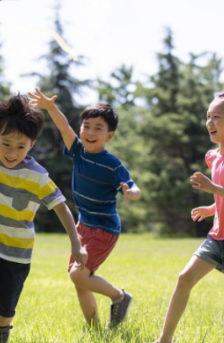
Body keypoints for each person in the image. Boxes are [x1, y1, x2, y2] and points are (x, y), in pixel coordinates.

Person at [0, 63, 87, 343]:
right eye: (6, 144)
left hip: (16, 258)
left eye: (20, 146)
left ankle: (2, 329)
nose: (11, 152)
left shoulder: (37, 176)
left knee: (2, 315)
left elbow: (61, 207)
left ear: (31, 145)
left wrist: (76, 243)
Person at [153, 90, 224, 343]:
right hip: (219, 234)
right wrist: (212, 207)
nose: (209, 122)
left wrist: (214, 190)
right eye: (208, 116)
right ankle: (165, 340)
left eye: (217, 117)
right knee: (184, 279)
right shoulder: (213, 156)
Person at [29, 88, 141, 328]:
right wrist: (50, 108)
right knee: (80, 281)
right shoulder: (78, 152)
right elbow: (64, 128)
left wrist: (131, 192)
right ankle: (95, 329)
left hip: (104, 229)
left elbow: (133, 186)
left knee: (78, 274)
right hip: (83, 226)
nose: (90, 132)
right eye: (86, 126)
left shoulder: (112, 164)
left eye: (98, 128)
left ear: (109, 136)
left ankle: (119, 297)